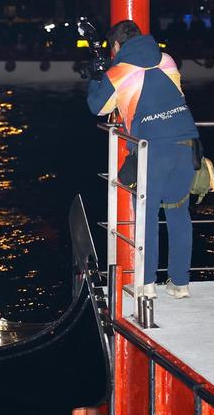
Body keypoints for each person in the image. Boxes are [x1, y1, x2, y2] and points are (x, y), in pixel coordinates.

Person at [86, 20, 199, 299]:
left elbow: (98, 108)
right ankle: (180, 283)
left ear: (115, 46)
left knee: (147, 217)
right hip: (187, 143)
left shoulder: (118, 72)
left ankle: (147, 284)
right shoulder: (167, 60)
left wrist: (95, 78)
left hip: (153, 149)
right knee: (178, 213)